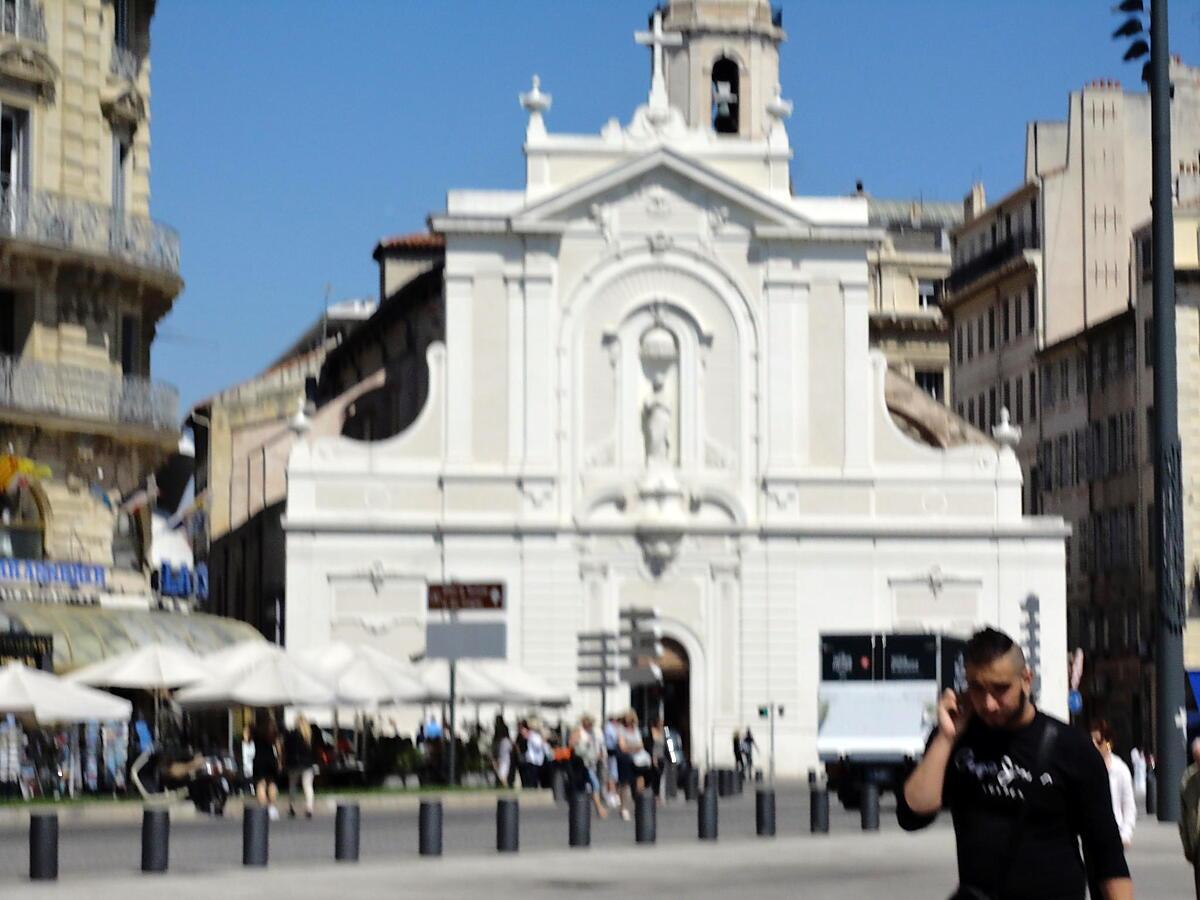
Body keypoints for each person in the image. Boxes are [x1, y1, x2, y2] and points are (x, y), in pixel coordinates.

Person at [897, 627, 1132, 900]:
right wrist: (946, 738)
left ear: (1026, 680)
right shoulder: (959, 741)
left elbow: (1106, 855)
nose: (989, 704)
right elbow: (912, 815)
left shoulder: (1072, 748)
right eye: (977, 688)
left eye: (1000, 689)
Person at [1089, 719, 1136, 848]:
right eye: (1091, 742)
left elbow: (1129, 806)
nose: (1094, 746)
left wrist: (1126, 834)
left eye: (1098, 742)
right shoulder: (1085, 769)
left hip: (1115, 836)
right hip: (1091, 837)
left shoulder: (1120, 770)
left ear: (1108, 743)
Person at [616, 711, 652, 821]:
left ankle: (639, 805)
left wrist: (632, 747)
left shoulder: (636, 730)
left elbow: (640, 744)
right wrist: (634, 747)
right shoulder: (621, 730)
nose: (631, 723)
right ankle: (624, 808)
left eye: (632, 721)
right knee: (625, 783)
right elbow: (623, 747)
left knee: (640, 780)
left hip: (638, 760)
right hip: (625, 760)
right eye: (629, 721)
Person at [569, 713, 606, 818]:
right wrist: (581, 745)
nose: (590, 726)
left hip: (589, 762)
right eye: (589, 723)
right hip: (580, 762)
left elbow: (594, 747)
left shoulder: (592, 732)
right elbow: (571, 743)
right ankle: (598, 809)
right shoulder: (579, 731)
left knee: (585, 786)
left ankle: (585, 809)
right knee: (593, 784)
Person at [284, 715, 319, 819]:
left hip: (294, 763)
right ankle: (309, 808)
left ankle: (292, 808)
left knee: (293, 786)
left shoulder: (291, 734)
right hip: (307, 764)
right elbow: (314, 750)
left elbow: (287, 748)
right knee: (308, 786)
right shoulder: (309, 735)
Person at [252, 711, 282, 820]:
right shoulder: (272, 730)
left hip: (259, 758)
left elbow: (246, 739)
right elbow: (278, 745)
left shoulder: (254, 728)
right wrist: (279, 759)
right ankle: (272, 808)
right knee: (272, 783)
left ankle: (264, 809)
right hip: (270, 758)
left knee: (260, 784)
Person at [1180, 737, 1200, 898]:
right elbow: (1183, 817)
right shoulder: (1188, 777)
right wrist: (1187, 846)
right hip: (1197, 846)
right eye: (1196, 759)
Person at [240, 725, 256, 792]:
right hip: (244, 770)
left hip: (252, 769)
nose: (246, 735)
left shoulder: (253, 744)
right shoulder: (242, 744)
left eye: (247, 733)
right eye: (245, 733)